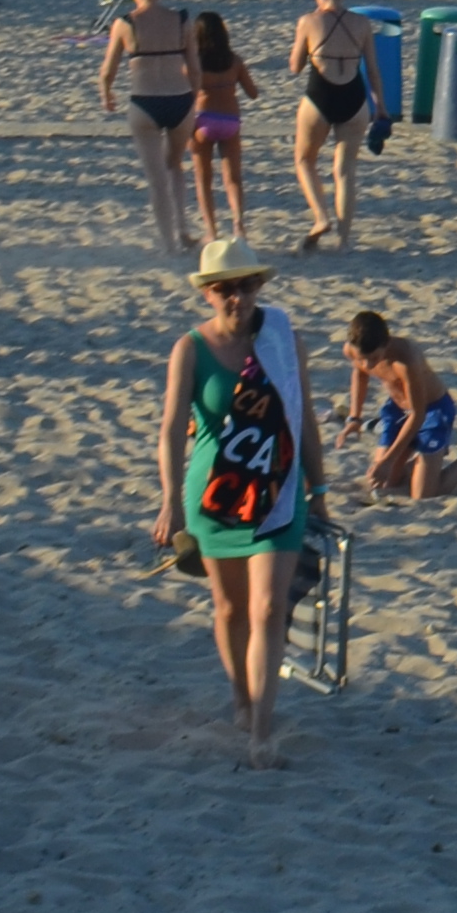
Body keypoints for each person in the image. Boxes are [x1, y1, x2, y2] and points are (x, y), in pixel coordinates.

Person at [152, 237, 328, 768]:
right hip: (215, 497)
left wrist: (318, 492)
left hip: (277, 491)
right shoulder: (191, 349)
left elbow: (306, 420)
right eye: (226, 289)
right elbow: (169, 433)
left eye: (247, 285)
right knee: (229, 608)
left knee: (270, 608)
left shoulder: (283, 340)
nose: (239, 297)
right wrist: (169, 503)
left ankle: (261, 729)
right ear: (208, 293)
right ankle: (241, 699)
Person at [343, 308, 457, 498]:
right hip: (398, 408)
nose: (368, 364)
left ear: (387, 343)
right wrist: (354, 418)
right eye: (362, 359)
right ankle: (424, 464)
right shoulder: (352, 349)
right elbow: (359, 373)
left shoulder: (406, 360)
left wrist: (389, 461)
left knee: (423, 494)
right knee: (382, 483)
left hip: (432, 410)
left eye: (374, 358)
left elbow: (418, 415)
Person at [97, 0, 200, 255]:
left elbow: (108, 70)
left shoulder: (126, 23)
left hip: (145, 103)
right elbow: (194, 68)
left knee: (157, 180)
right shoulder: (181, 19)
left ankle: (169, 244)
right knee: (175, 167)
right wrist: (193, 96)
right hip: (179, 99)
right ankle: (181, 228)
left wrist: (106, 94)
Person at [286, 0, 378, 250]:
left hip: (320, 95)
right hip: (354, 97)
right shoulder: (362, 23)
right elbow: (373, 70)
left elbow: (295, 66)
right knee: (346, 170)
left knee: (304, 160)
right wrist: (383, 108)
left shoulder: (309, 21)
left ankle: (321, 217)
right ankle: (344, 241)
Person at [183, 12, 261, 242]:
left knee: (203, 179)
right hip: (230, 121)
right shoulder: (234, 60)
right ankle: (238, 224)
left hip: (202, 121)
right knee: (233, 178)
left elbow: (187, 96)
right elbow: (253, 93)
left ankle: (211, 231)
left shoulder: (194, 64)